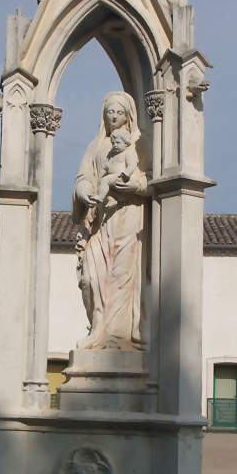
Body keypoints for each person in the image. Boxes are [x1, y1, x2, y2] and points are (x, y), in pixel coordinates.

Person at [72, 91, 148, 350]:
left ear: (129, 115)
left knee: (122, 276)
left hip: (129, 216)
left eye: (118, 112)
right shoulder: (96, 146)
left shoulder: (139, 143)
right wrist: (84, 192)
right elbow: (84, 177)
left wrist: (135, 187)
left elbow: (152, 181)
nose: (113, 116)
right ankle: (97, 329)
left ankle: (117, 337)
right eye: (109, 112)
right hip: (102, 218)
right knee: (91, 275)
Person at [90, 126, 138, 208]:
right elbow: (108, 164)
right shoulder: (113, 154)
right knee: (103, 186)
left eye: (118, 143)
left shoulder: (128, 153)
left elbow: (131, 165)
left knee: (105, 181)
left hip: (121, 177)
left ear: (126, 143)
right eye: (113, 143)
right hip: (113, 178)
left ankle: (100, 197)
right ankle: (112, 200)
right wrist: (105, 170)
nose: (115, 145)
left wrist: (126, 173)